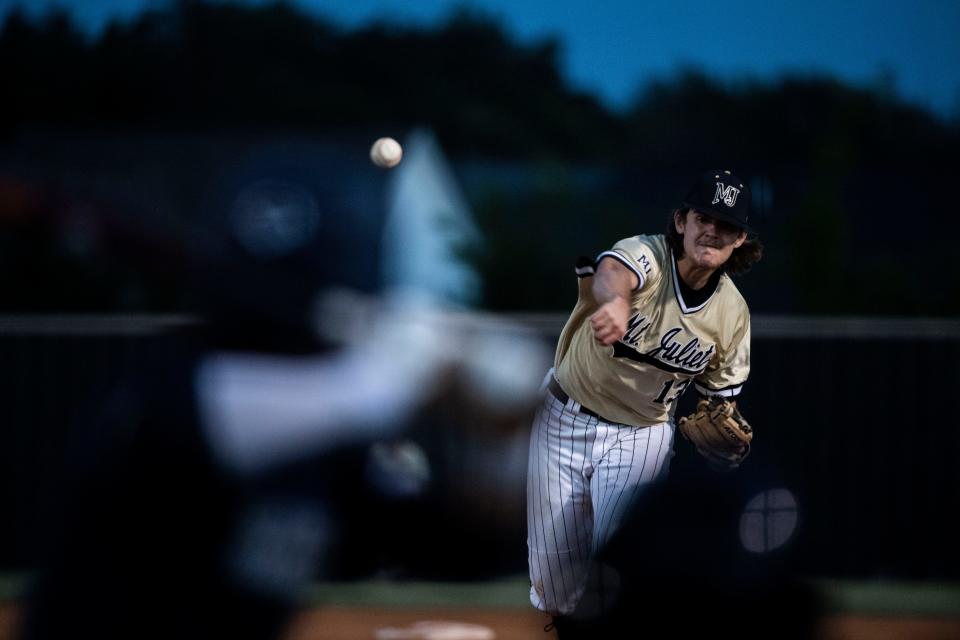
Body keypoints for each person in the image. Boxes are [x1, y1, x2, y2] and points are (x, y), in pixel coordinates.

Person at [526, 169, 763, 632]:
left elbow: (720, 401)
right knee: (552, 582)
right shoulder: (648, 255)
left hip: (641, 435)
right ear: (681, 221)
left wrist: (724, 431)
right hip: (561, 417)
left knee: (622, 559)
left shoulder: (732, 314)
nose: (713, 230)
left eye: (727, 226)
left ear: (739, 241)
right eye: (704, 217)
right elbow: (613, 271)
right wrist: (614, 302)